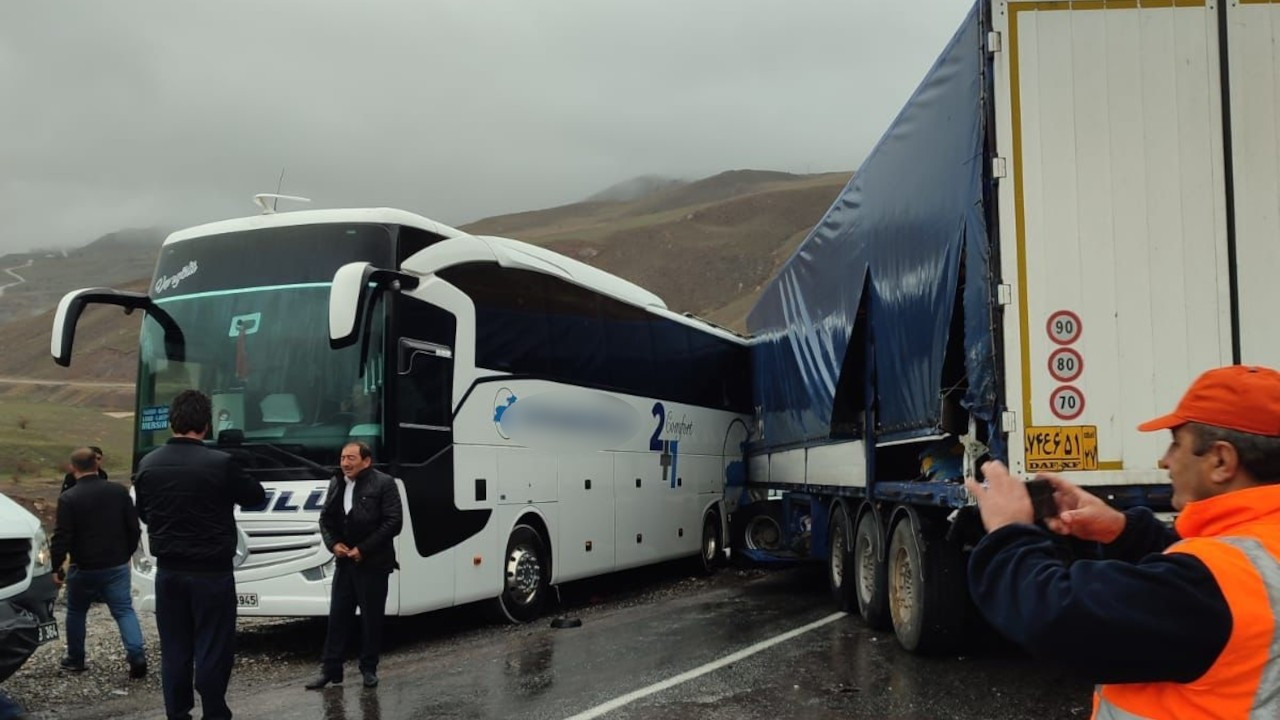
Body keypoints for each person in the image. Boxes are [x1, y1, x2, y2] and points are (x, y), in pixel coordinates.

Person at [966, 365, 1280, 719]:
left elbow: (1058, 617)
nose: (1164, 460)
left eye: (1177, 443)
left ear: (1221, 461)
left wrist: (1009, 533)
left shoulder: (1209, 585)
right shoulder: (1256, 555)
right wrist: (1122, 531)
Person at [134, 390, 265, 720]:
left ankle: (178, 713)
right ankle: (215, 711)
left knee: (175, 649)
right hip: (212, 571)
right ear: (206, 425)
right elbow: (255, 497)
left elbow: (145, 513)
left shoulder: (148, 464)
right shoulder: (220, 463)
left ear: (171, 421)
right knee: (213, 644)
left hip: (168, 573)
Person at [305, 442, 402, 691]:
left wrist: (364, 549)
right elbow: (325, 518)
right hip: (344, 562)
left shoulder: (384, 483)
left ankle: (368, 668)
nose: (345, 463)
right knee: (338, 616)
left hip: (373, 564)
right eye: (342, 458)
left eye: (351, 458)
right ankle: (331, 670)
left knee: (371, 619)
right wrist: (333, 544)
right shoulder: (336, 482)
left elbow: (393, 522)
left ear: (366, 461)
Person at [50, 447, 146, 678]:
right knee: (123, 610)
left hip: (84, 566)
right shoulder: (118, 491)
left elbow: (62, 536)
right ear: (97, 465)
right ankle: (137, 655)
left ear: (73, 468)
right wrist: (126, 553)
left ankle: (76, 659)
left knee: (76, 611)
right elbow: (133, 527)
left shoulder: (68, 498)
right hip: (116, 564)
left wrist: (56, 567)